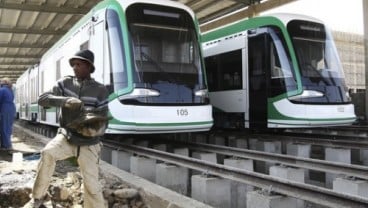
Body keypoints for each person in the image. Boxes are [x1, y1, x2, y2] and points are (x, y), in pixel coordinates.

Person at [24, 49, 109, 208]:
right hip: (66, 136)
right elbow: (43, 100)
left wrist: (95, 130)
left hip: (89, 142)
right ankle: (37, 197)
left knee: (91, 184)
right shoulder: (65, 83)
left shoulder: (100, 90)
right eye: (74, 64)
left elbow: (104, 120)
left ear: (89, 67)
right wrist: (65, 101)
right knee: (48, 153)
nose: (75, 67)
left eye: (79, 64)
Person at [0, 77, 16, 151]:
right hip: (11, 109)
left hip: (5, 109)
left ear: (4, 82)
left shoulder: (2, 90)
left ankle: (6, 146)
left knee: (4, 128)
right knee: (8, 128)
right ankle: (6, 145)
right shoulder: (10, 90)